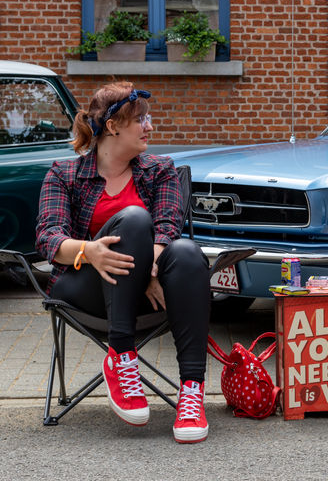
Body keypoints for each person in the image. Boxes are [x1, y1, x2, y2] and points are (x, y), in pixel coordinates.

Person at [35, 82, 211, 444]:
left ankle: (192, 393)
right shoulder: (64, 175)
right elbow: (48, 238)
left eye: (148, 118)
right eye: (140, 120)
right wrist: (90, 251)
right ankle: (121, 353)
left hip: (147, 293)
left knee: (188, 252)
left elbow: (167, 228)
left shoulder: (160, 170)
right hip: (84, 291)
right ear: (113, 126)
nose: (150, 127)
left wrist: (148, 272)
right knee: (133, 219)